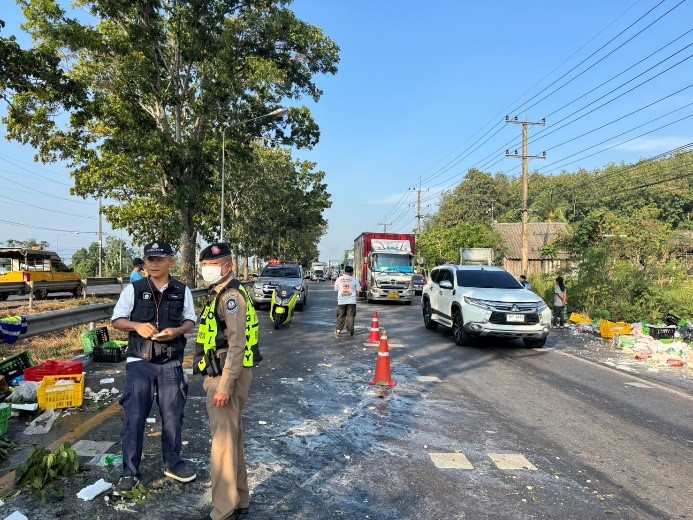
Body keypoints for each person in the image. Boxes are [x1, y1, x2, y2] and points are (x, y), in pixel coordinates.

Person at [111, 242, 198, 495]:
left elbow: (190, 319)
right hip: (140, 361)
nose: (154, 264)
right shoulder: (134, 289)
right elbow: (117, 320)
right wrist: (136, 326)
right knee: (134, 417)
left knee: (173, 416)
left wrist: (178, 331)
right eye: (150, 259)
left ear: (171, 261)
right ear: (145, 263)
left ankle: (173, 463)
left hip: (171, 361)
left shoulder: (182, 290)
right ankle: (130, 473)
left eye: (160, 259)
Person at [193, 243, 259, 520]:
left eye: (212, 265)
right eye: (204, 266)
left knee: (222, 444)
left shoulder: (230, 297)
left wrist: (224, 385)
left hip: (226, 374)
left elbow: (236, 344)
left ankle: (223, 510)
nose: (207, 270)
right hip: (225, 371)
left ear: (228, 267)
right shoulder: (222, 292)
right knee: (231, 439)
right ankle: (239, 500)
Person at [334, 265, 361, 338]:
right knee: (350, 316)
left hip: (341, 301)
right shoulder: (354, 279)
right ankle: (350, 331)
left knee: (341, 316)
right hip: (351, 301)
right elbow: (358, 289)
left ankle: (338, 331)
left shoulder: (339, 279)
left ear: (344, 272)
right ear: (352, 272)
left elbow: (335, 289)